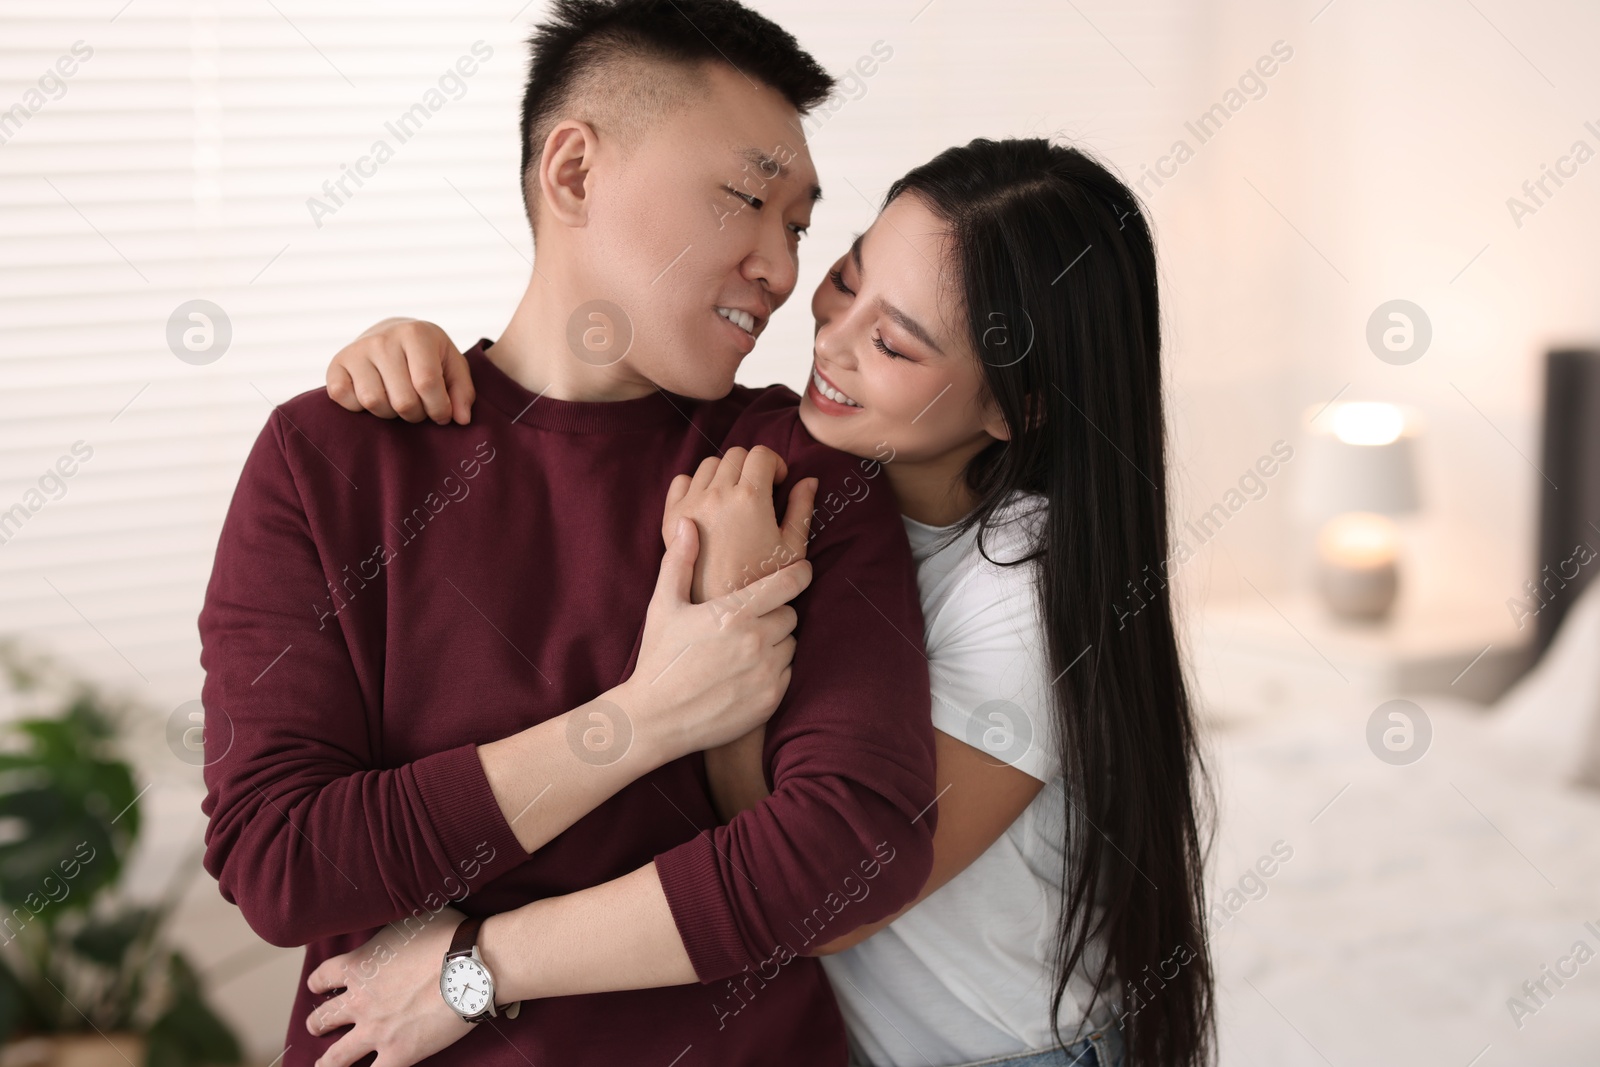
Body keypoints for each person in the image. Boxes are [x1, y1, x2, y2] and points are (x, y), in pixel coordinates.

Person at [315, 138, 1219, 1067]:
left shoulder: (1023, 602)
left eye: (894, 341)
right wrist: (417, 357)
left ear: (1016, 408)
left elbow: (823, 896)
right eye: (845, 279)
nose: (831, 338)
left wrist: (473, 968)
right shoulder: (787, 466)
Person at [196, 3, 942, 1066]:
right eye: (744, 197)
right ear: (575, 173)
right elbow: (281, 860)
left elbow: (855, 846)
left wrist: (478, 958)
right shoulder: (330, 458)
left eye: (798, 223)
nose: (780, 269)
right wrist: (644, 719)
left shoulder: (799, 469)